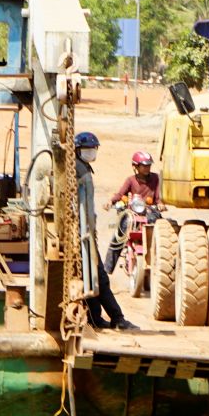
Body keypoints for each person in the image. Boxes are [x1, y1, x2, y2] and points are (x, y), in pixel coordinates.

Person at [74, 130, 133, 330]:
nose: (91, 152)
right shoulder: (78, 169)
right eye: (87, 149)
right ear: (77, 150)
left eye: (93, 149)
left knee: (92, 276)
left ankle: (96, 318)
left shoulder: (82, 168)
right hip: (82, 234)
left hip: (86, 232)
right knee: (98, 276)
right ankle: (117, 318)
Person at [106, 150, 161, 271]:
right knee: (119, 234)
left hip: (150, 211)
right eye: (144, 165)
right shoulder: (130, 180)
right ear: (135, 166)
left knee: (160, 232)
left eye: (149, 165)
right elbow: (120, 194)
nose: (147, 168)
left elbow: (158, 197)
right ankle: (107, 269)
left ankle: (161, 266)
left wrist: (160, 204)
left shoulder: (156, 178)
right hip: (133, 212)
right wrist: (111, 202)